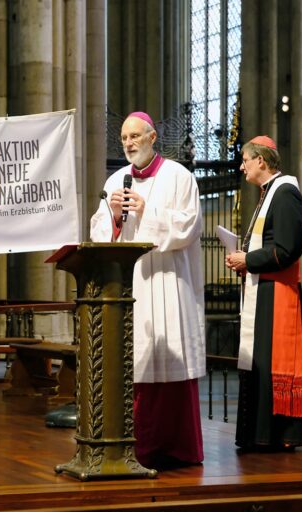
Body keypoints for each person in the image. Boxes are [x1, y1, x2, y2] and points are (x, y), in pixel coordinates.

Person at [90, 111, 206, 468]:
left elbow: (189, 225)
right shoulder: (115, 181)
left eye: (135, 136)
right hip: (133, 285)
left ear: (152, 138)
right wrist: (110, 216)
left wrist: (148, 211)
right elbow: (98, 232)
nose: (128, 143)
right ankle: (134, 445)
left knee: (169, 362)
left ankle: (176, 448)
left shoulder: (179, 176)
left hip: (168, 283)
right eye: (124, 138)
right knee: (135, 363)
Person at [225, 135, 302, 451]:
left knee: (270, 363)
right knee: (259, 364)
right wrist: (244, 259)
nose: (242, 167)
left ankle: (280, 434)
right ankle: (259, 434)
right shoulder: (269, 195)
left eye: (245, 161)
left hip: (278, 295)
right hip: (264, 291)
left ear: (261, 161)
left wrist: (247, 259)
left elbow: (286, 250)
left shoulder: (286, 194)